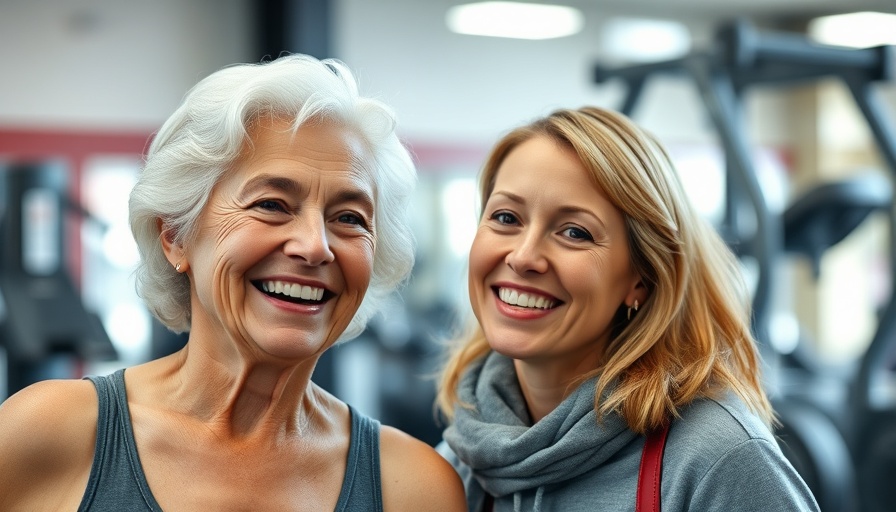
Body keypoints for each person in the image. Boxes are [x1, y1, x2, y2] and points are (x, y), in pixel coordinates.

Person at [0, 54, 465, 511]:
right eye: (272, 204)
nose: (315, 246)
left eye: (349, 217)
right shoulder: (47, 435)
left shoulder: (413, 488)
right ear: (176, 235)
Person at [436, 106, 819, 511]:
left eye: (574, 232)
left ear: (641, 277)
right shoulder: (462, 459)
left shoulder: (719, 461)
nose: (523, 256)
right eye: (506, 217)